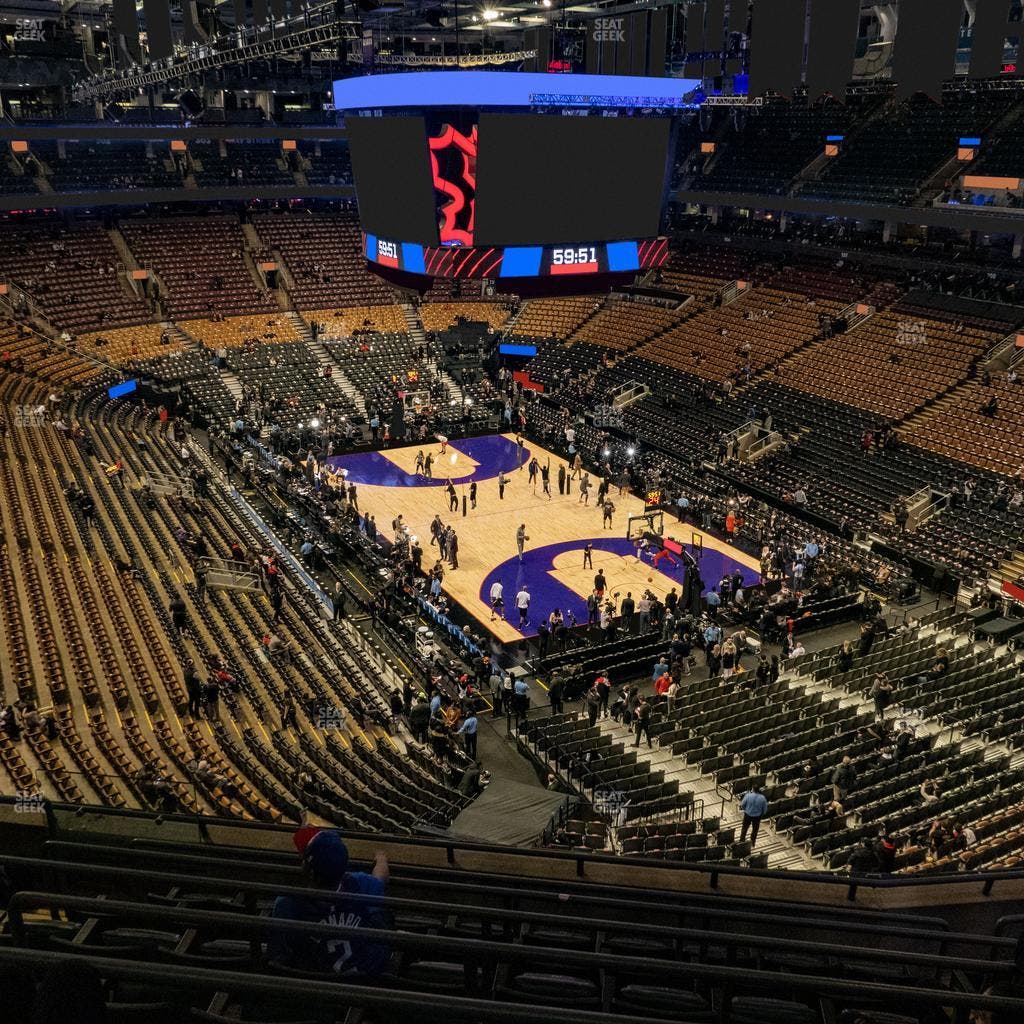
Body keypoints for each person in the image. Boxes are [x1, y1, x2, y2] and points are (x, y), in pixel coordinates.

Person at [270, 828, 391, 977]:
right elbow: (380, 878)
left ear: (309, 871)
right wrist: (381, 857)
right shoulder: (362, 886)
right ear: (344, 870)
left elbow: (279, 955)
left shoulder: (287, 904)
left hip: (308, 988)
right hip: (361, 987)